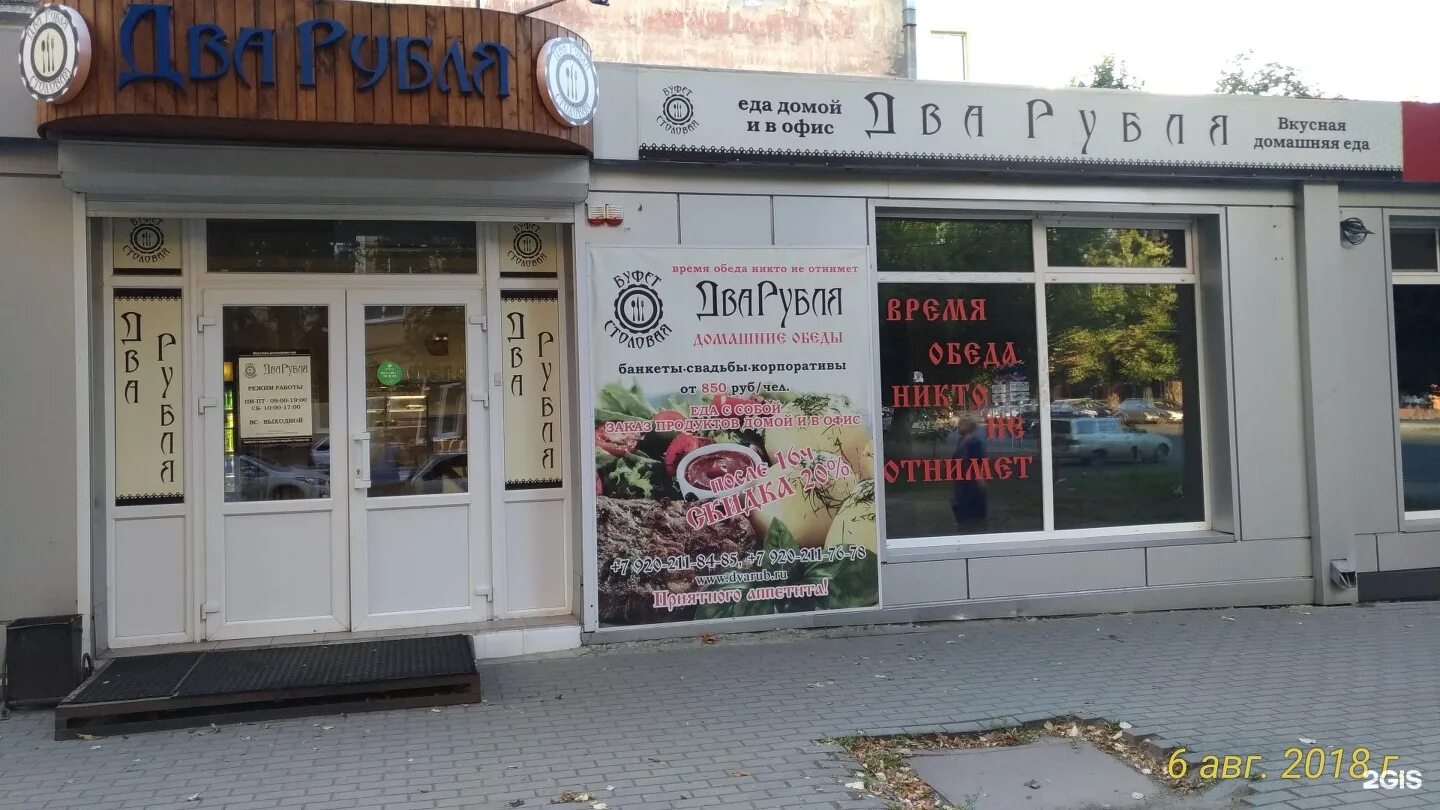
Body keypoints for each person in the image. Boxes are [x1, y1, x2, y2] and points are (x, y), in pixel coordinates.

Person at [951, 413, 988, 531]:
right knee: (961, 506)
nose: (958, 426)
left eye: (960, 424)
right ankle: (964, 526)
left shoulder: (974, 443)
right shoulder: (962, 440)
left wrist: (979, 479)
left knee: (971, 509)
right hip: (961, 480)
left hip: (971, 481)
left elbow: (977, 462)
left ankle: (973, 528)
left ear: (967, 426)